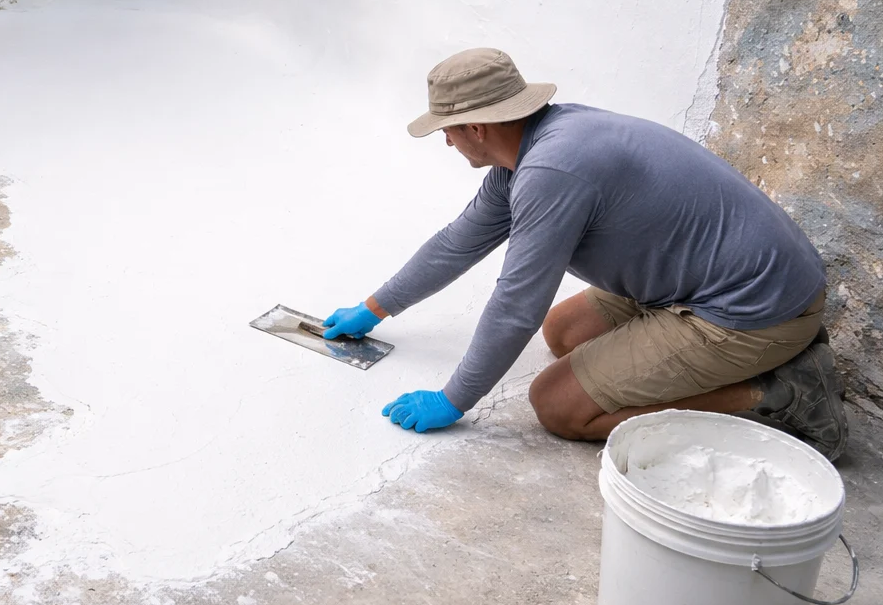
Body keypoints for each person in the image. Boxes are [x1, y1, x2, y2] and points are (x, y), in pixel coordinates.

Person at [324, 48, 847, 459]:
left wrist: (455, 398)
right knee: (564, 333)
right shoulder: (533, 149)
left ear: (477, 128)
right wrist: (373, 309)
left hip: (753, 313)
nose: (447, 144)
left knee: (559, 407)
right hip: (712, 281)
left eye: (448, 131)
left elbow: (515, 305)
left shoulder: (552, 173)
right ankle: (720, 356)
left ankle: (780, 392)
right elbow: (458, 241)